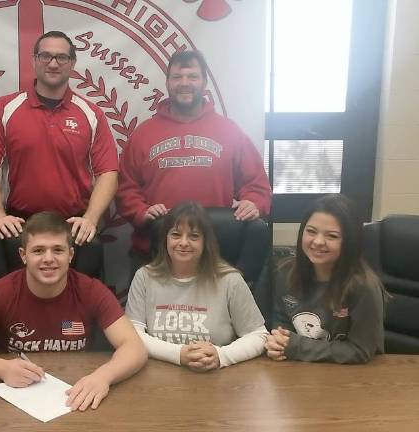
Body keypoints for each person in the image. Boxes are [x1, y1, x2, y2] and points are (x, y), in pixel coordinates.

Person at [0, 212, 147, 411]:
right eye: (38, 250)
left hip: (77, 393)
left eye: (58, 250)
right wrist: (0, 368)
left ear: (70, 254)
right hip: (17, 396)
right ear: (23, 255)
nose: (48, 259)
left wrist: (103, 377)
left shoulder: (92, 290)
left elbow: (134, 347)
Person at [116, 50, 271, 270]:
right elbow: (125, 189)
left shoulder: (230, 131)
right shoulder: (143, 134)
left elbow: (257, 185)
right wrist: (141, 211)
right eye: (177, 77)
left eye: (192, 77)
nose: (184, 83)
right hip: (156, 255)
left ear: (205, 82)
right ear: (168, 82)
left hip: (215, 254)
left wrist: (253, 203)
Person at [0, 31, 118, 245]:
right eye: (45, 56)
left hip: (73, 227)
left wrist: (90, 219)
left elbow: (108, 173)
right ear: (34, 60)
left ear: (72, 63)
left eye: (61, 57)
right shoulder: (4, 108)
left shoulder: (92, 114)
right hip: (19, 226)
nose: (53, 64)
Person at [125, 201, 268, 371]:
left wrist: (221, 356)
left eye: (194, 236)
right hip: (158, 377)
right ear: (165, 239)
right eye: (176, 235)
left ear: (205, 242)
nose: (183, 243)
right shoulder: (145, 277)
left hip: (216, 378)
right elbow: (132, 335)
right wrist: (179, 354)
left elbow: (259, 335)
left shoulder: (230, 279)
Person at [265, 194, 386, 364]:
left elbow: (360, 350)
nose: (318, 241)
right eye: (311, 231)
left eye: (332, 236)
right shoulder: (285, 271)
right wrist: (278, 343)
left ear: (349, 242)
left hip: (350, 378)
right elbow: (281, 322)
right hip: (297, 370)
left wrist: (295, 346)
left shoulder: (363, 286)